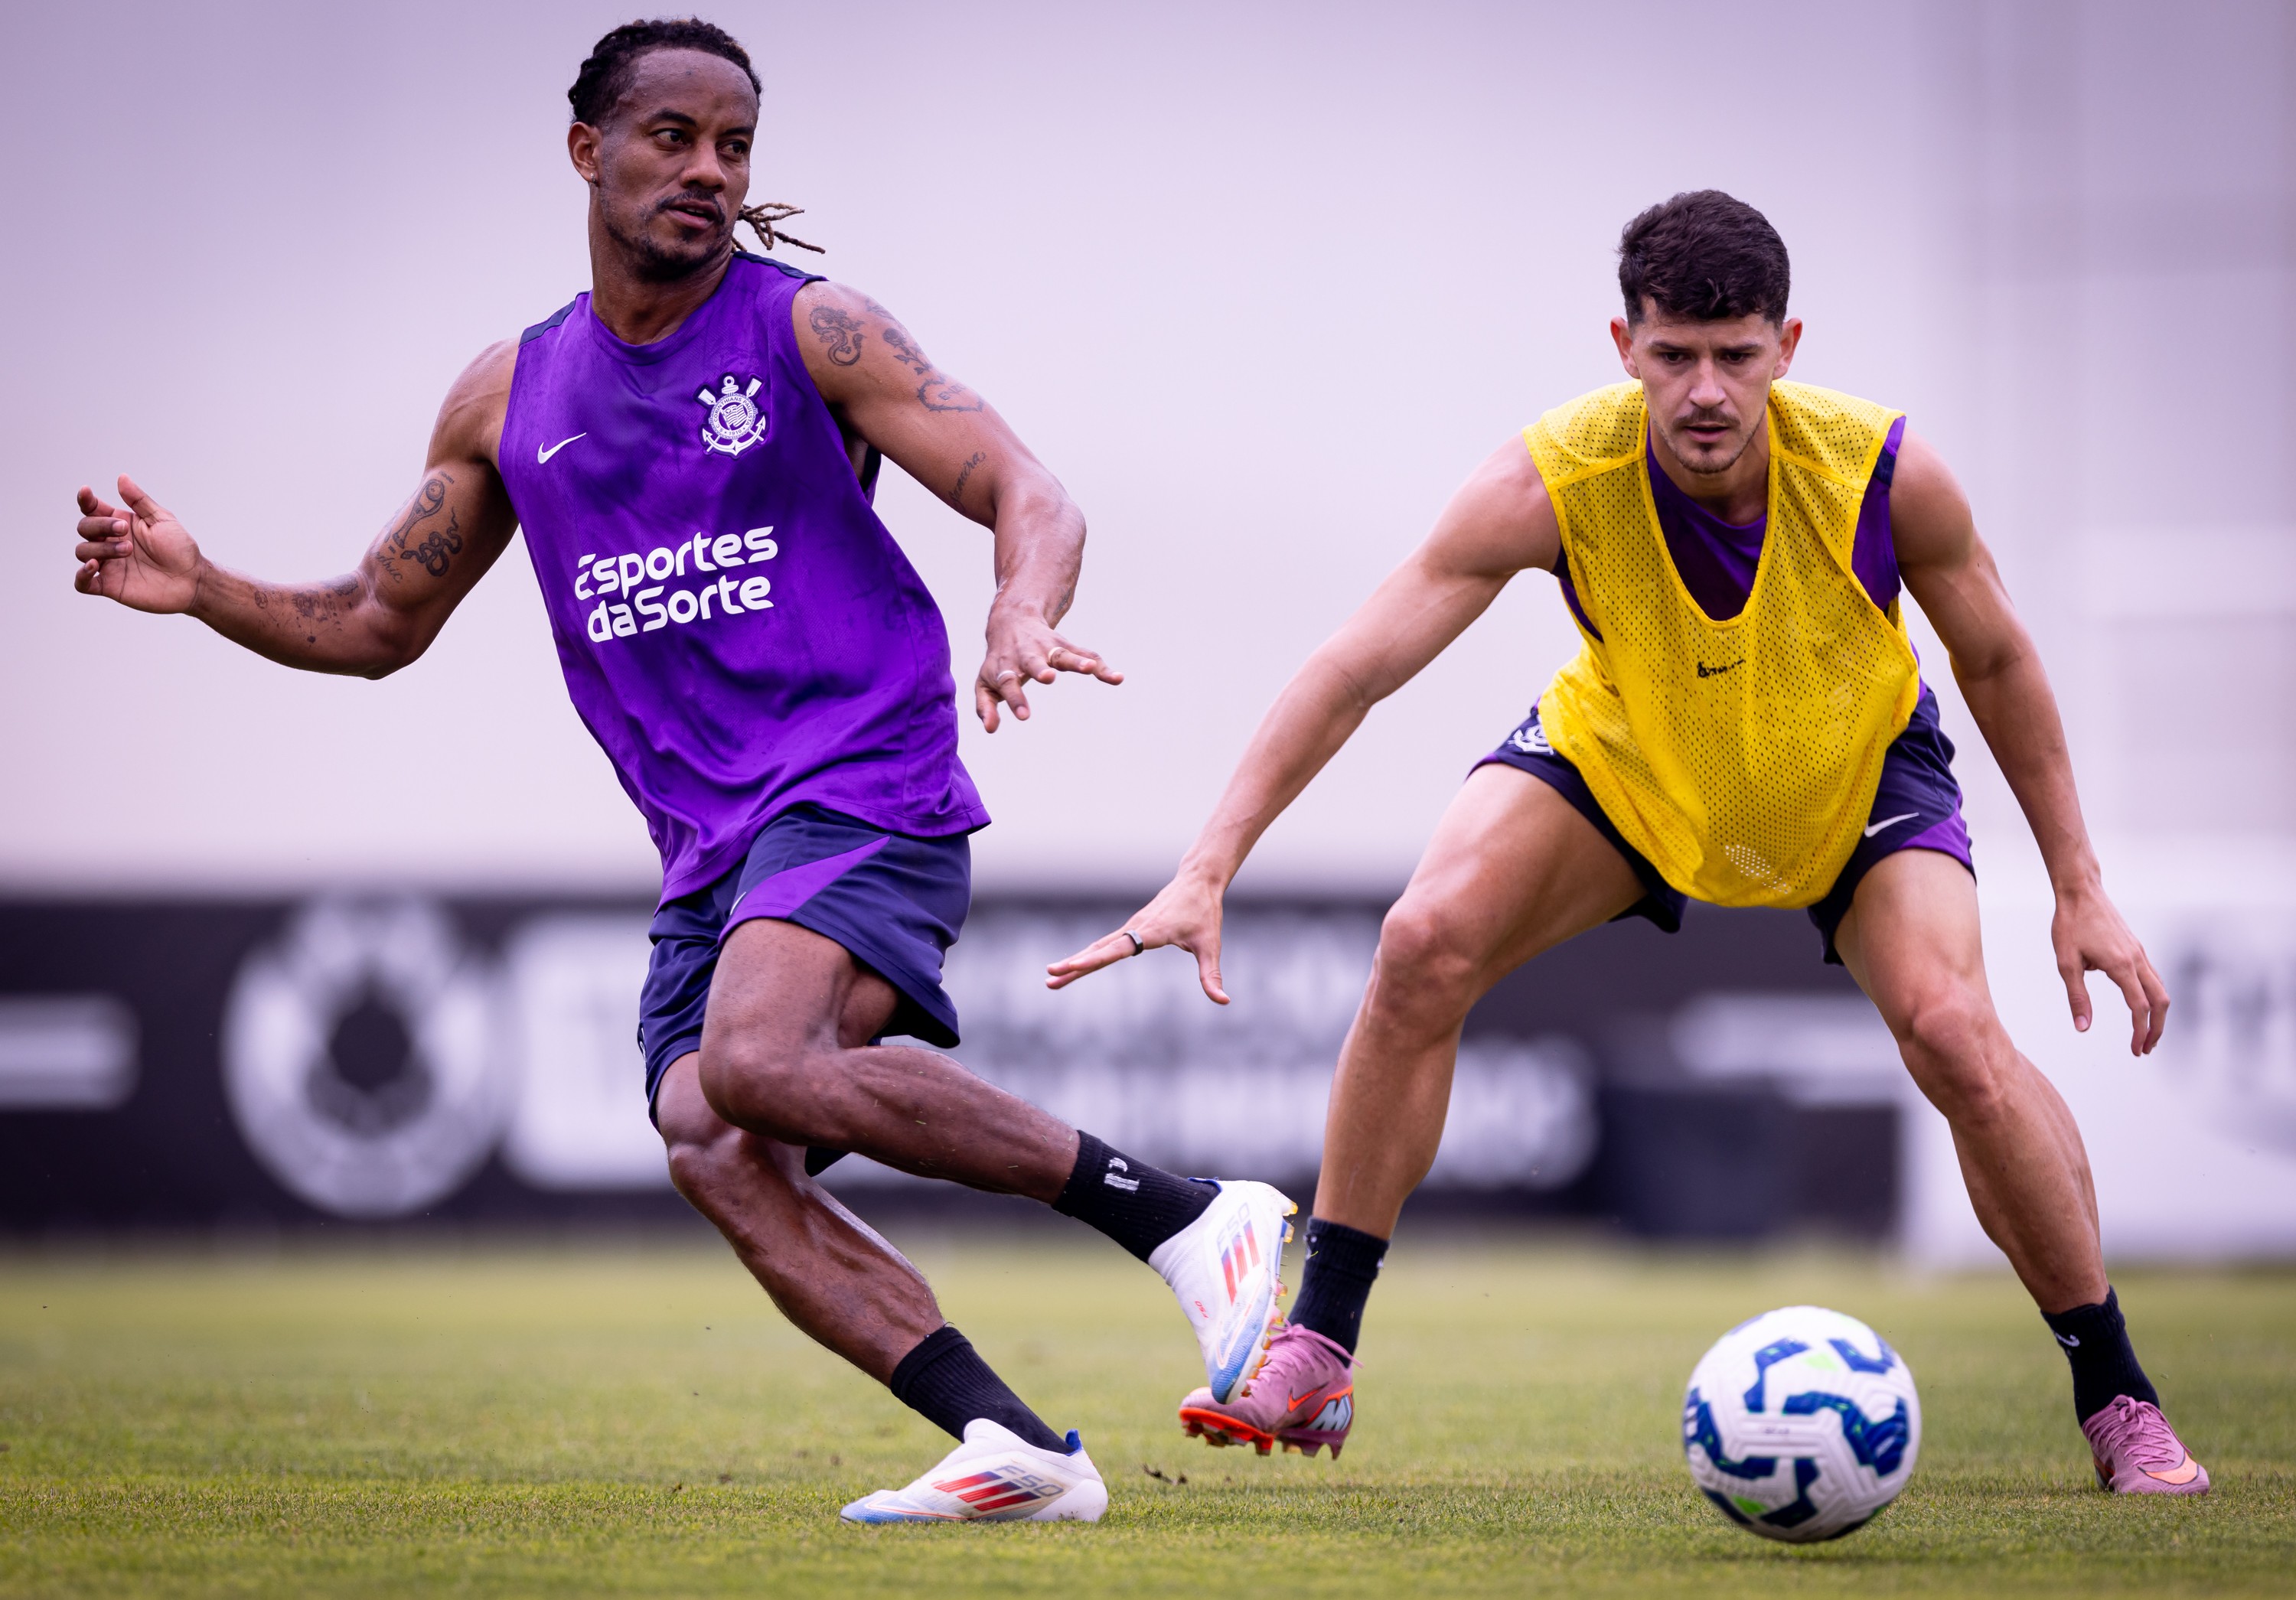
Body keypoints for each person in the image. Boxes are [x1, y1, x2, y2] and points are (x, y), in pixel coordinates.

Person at [70, 17, 1296, 1525]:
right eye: (673, 138)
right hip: (710, 840)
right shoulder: (509, 394)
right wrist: (206, 587)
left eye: (734, 146)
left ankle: (1190, 1218)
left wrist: (1021, 604)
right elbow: (381, 621)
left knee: (757, 1062)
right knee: (711, 1138)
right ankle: (1015, 1441)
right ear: (588, 151)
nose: (708, 172)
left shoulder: (809, 331)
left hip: (863, 774)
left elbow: (1027, 487)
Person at [1050, 190, 2208, 1497]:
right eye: (1675, 355)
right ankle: (1318, 1347)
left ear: (1789, 345)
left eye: (1737, 354)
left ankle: (2118, 1396)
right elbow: (1353, 666)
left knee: (1954, 1034)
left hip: (1854, 773)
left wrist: (2081, 886)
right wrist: (1211, 865)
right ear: (1624, 343)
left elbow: (1996, 659)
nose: (1706, 390)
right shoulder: (1554, 477)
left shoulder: (1888, 473)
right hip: (1637, 761)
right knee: (1420, 944)